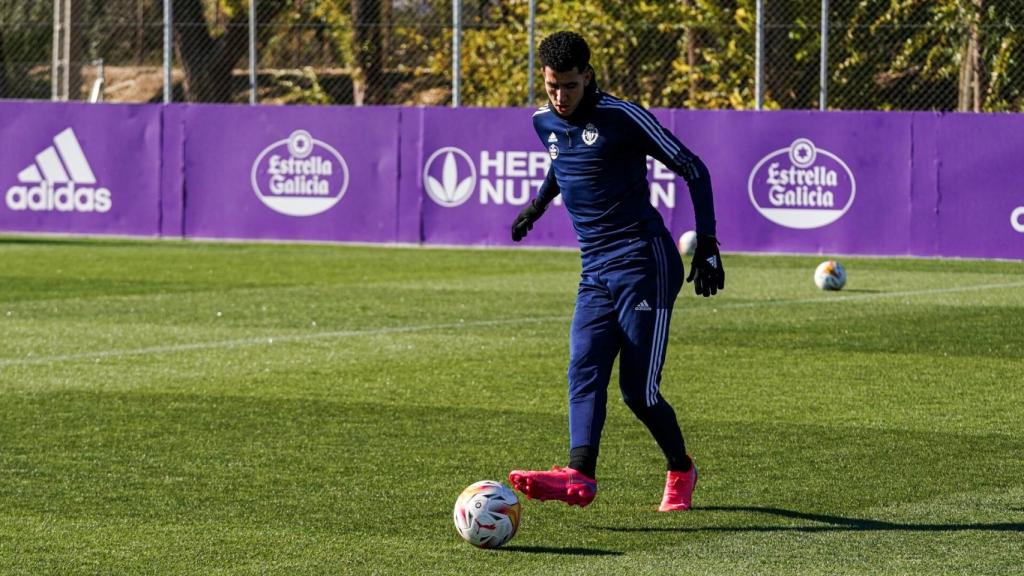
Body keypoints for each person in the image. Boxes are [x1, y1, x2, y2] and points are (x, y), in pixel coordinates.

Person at [507, 31, 724, 512]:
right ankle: (579, 474)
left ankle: (681, 468)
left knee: (637, 391)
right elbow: (560, 162)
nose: (559, 97)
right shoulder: (543, 122)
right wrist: (537, 206)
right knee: (583, 367)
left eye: (569, 85)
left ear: (588, 75)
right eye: (551, 86)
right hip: (595, 269)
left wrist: (706, 244)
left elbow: (694, 168)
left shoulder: (621, 116)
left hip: (645, 262)